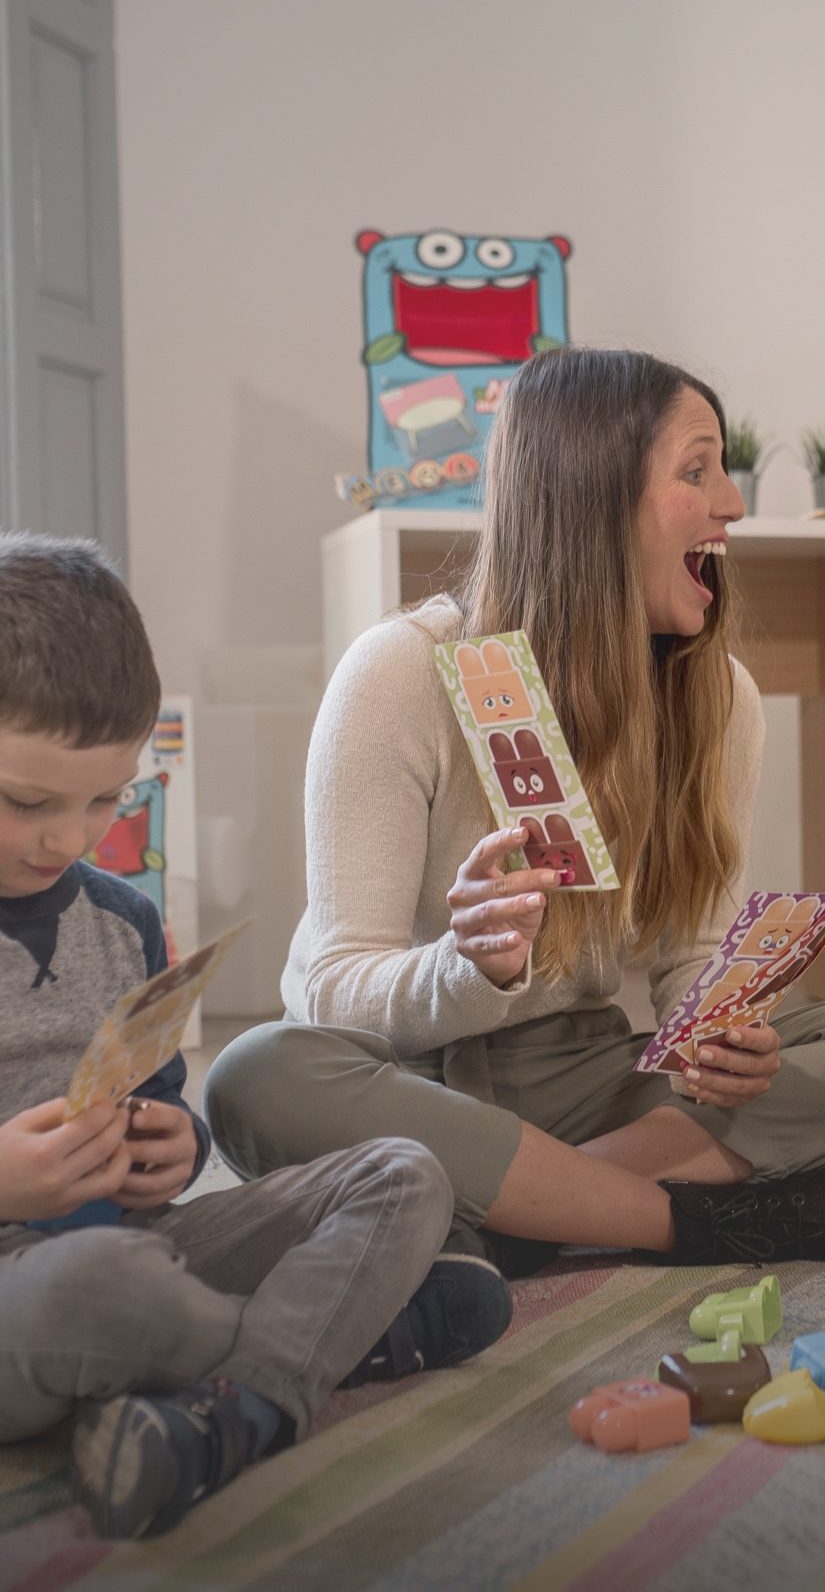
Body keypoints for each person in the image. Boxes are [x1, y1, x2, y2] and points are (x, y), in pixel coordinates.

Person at [208, 348, 825, 1268]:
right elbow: (337, 983)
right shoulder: (401, 672)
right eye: (697, 472)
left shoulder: (717, 697)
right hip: (416, 1076)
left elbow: (693, 950)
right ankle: (677, 1222)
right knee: (255, 1076)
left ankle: (519, 1214)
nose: (732, 503)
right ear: (590, 499)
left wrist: (725, 1034)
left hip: (587, 1080)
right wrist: (466, 970)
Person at [0, 536, 508, 1539]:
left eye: (106, 800)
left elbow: (157, 1103)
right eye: (27, 802)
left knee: (406, 1173)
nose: (67, 837)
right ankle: (343, 1342)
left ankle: (239, 1405)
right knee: (97, 1287)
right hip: (44, 1298)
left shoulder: (121, 919)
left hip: (141, 1249)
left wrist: (172, 1149)